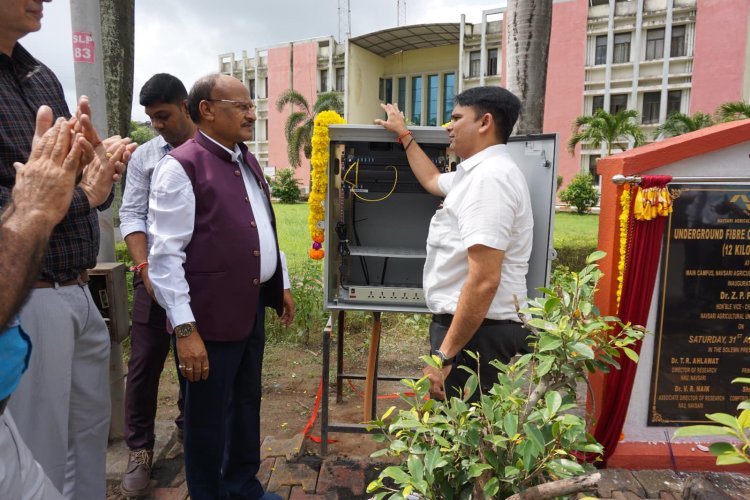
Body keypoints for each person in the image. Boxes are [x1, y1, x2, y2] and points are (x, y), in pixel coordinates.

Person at [0, 1, 137, 497]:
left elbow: (68, 184)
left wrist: (95, 166)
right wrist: (82, 195)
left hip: (77, 286)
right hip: (24, 297)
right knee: (38, 450)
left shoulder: (39, 75)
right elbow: (32, 198)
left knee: (88, 438)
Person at [148, 73, 294, 499]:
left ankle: (242, 485)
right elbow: (165, 257)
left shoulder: (244, 158)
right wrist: (186, 330)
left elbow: (261, 224)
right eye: (242, 106)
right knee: (207, 417)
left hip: (248, 307)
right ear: (207, 109)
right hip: (207, 319)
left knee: (246, 403)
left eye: (252, 105)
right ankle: (208, 493)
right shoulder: (181, 166)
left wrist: (279, 280)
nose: (252, 113)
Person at [375, 86, 533, 401]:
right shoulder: (474, 174)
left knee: (467, 436)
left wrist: (445, 355)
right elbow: (433, 181)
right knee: (459, 430)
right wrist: (404, 135)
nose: (449, 126)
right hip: (472, 328)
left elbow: (484, 280)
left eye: (456, 117)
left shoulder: (490, 180)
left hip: (478, 332)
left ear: (485, 122)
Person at [118, 73, 194, 497]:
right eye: (151, 119)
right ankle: (140, 449)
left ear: (186, 106)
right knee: (144, 366)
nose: (158, 125)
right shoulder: (146, 156)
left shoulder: (210, 149)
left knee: (196, 363)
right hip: (150, 282)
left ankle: (190, 432)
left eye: (163, 115)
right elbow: (131, 215)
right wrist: (145, 267)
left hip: (199, 281)